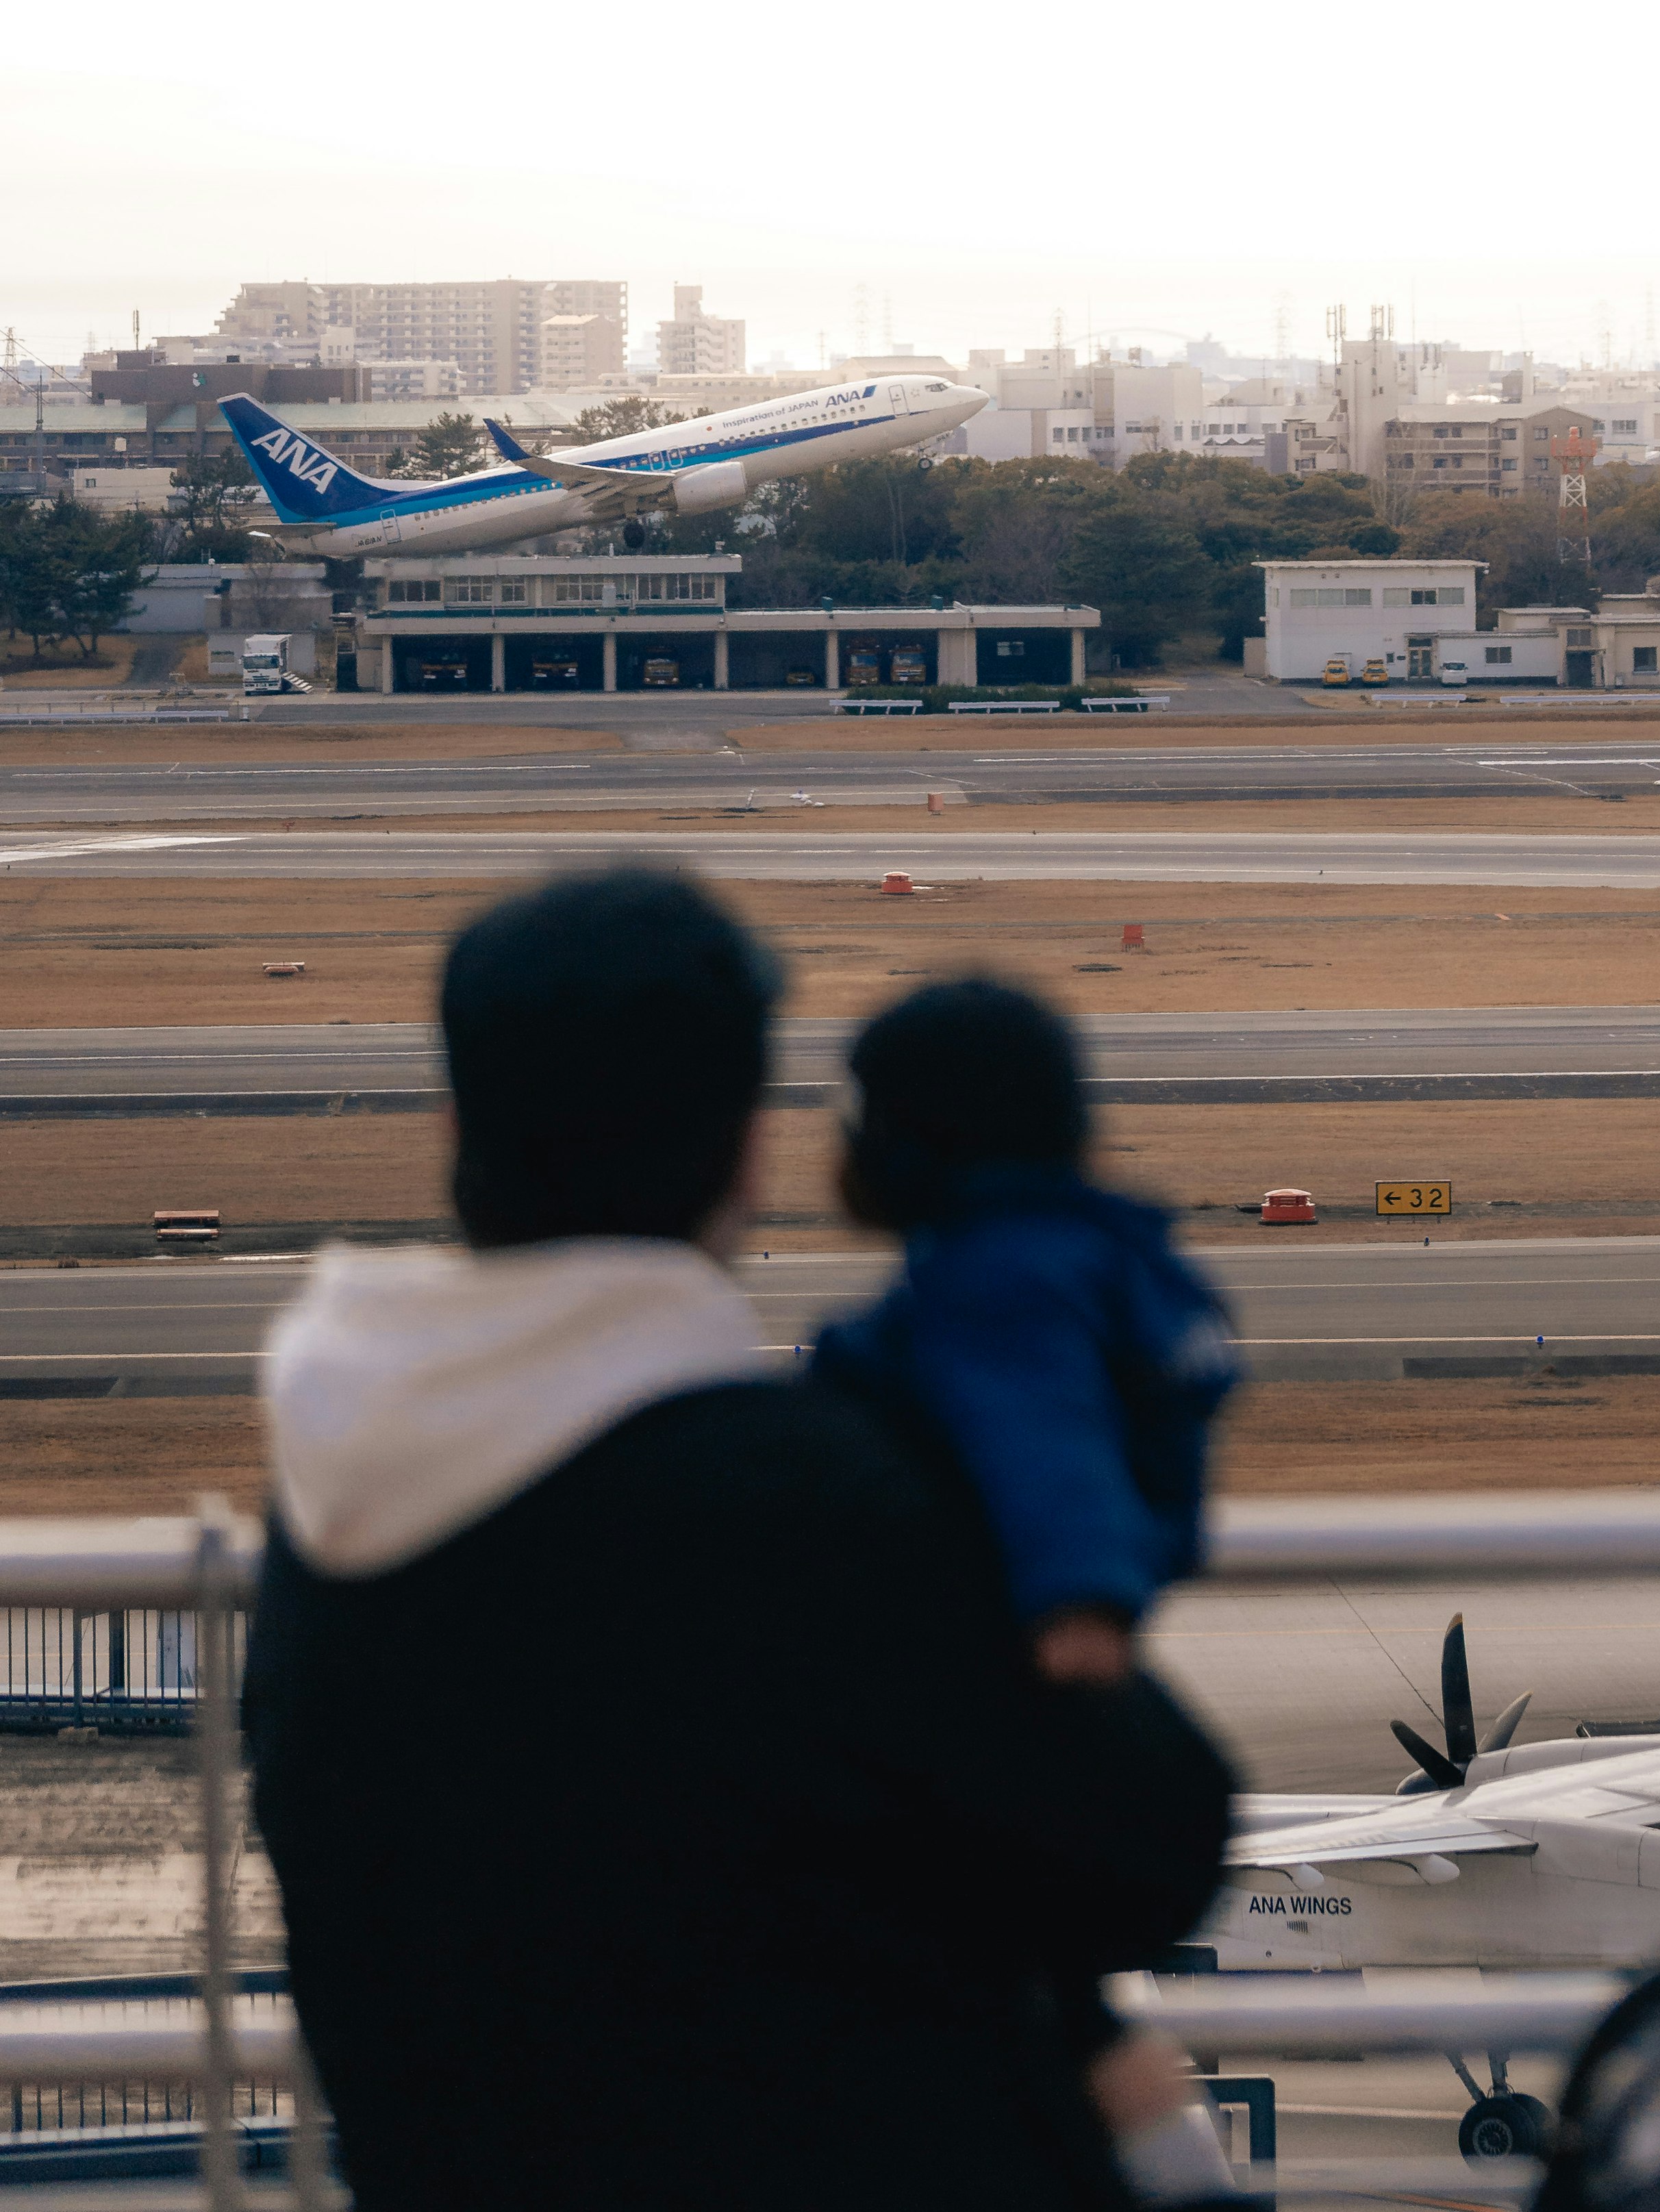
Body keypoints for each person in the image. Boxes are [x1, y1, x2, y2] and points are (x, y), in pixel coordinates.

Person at [244, 870, 1234, 2212]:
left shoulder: (327, 1507)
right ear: (749, 1150)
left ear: (453, 1125)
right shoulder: (807, 1504)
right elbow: (1150, 1848)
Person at [807, 975, 1240, 1689]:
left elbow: (1044, 1440)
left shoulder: (1000, 1283)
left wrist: (1079, 1609)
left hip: (1002, 1668)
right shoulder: (1107, 1257)